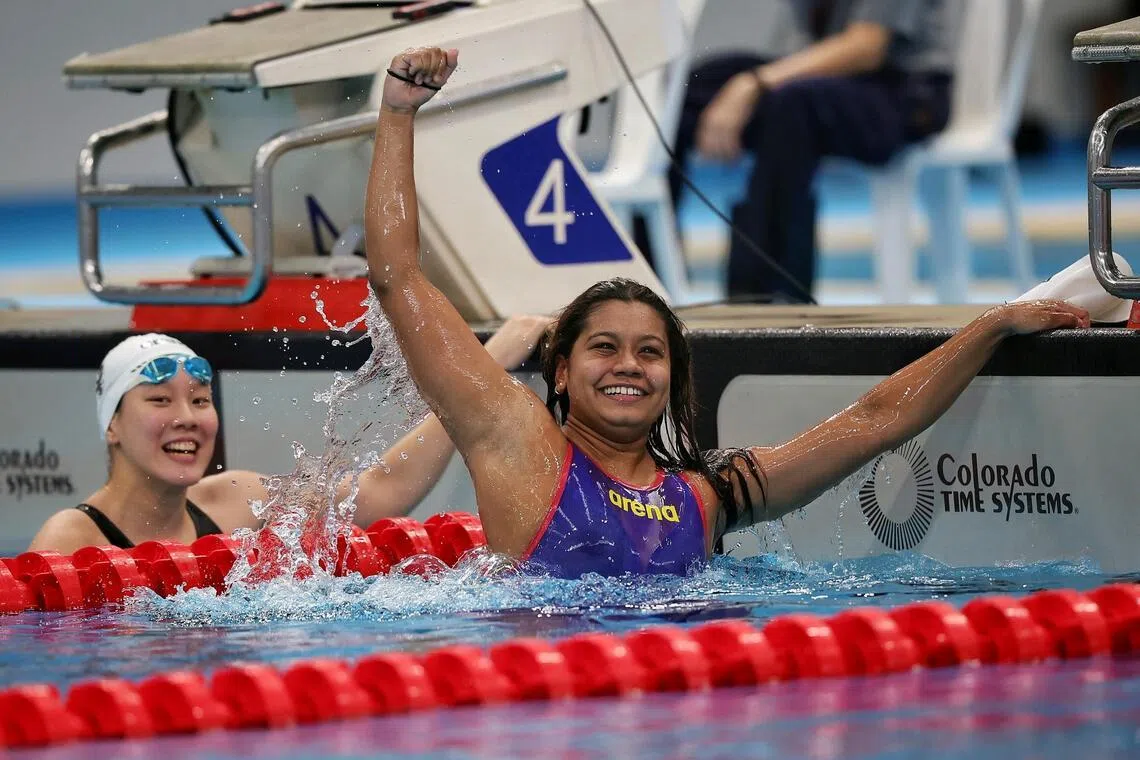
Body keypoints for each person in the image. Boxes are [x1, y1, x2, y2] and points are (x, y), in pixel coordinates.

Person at [364, 46, 1089, 578]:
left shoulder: (710, 497)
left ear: (673, 375)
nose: (628, 366)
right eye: (604, 348)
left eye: (650, 352)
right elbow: (399, 281)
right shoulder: (517, 445)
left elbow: (875, 421)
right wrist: (398, 113)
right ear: (560, 369)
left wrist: (991, 325)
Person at [27, 316, 549, 554]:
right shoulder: (71, 541)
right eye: (159, 400)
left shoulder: (238, 501)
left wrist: (487, 363)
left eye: (200, 400)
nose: (186, 417)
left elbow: (380, 493)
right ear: (112, 425)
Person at [678, 0, 962, 302]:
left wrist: (754, 83)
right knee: (692, 91)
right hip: (831, 82)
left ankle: (770, 297)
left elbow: (866, 47)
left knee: (792, 105)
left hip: (907, 92)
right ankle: (648, 277)